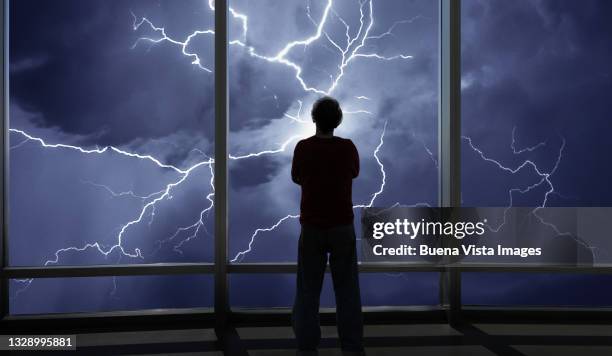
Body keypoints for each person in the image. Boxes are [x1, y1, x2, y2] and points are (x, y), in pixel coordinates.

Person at [291, 96, 365, 356]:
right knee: (347, 291)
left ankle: (307, 348)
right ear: (338, 120)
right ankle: (353, 348)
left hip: (311, 227)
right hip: (342, 227)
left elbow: (297, 177)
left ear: (314, 119)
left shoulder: (303, 148)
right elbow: (354, 172)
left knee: (307, 292)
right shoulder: (348, 148)